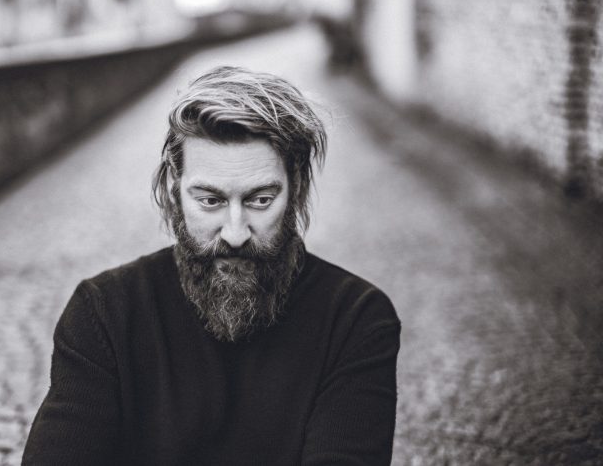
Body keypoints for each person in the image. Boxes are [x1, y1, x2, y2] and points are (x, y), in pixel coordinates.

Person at [22, 66, 401, 465]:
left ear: (297, 188)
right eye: (210, 201)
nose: (235, 234)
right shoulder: (105, 313)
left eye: (260, 200)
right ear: (174, 191)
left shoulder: (355, 319)